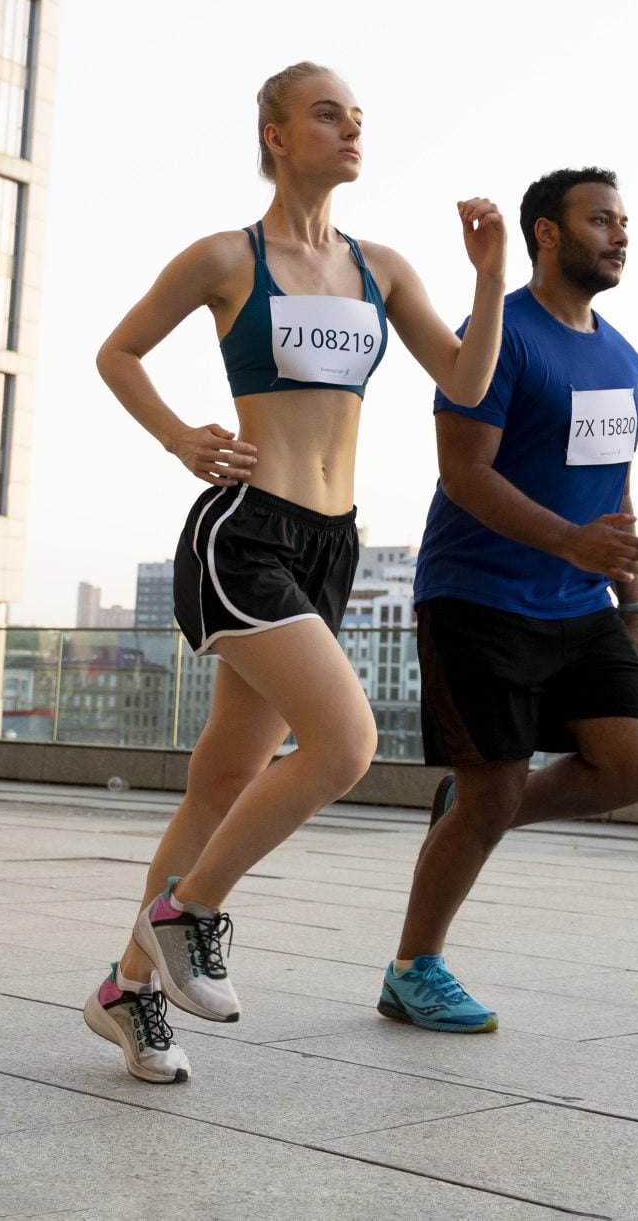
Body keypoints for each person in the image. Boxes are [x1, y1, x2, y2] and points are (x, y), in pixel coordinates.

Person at [83, 62, 506, 1083]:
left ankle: (128, 991)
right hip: (244, 535)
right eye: (328, 114)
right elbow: (120, 353)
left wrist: (489, 277)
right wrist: (183, 437)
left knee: (223, 779)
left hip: (331, 544)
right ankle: (191, 914)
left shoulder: (384, 268)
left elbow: (465, 378)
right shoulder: (227, 257)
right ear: (275, 133)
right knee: (346, 740)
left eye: (358, 117)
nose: (351, 128)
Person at [377, 168, 638, 1033]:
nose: (619, 235)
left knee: (637, 763)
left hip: (580, 602)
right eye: (600, 220)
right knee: (494, 786)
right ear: (547, 232)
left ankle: (471, 806)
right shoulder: (498, 335)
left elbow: (613, 494)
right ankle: (411, 968)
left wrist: (634, 601)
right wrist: (571, 542)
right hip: (479, 596)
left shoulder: (623, 357)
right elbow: (462, 475)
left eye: (624, 221)